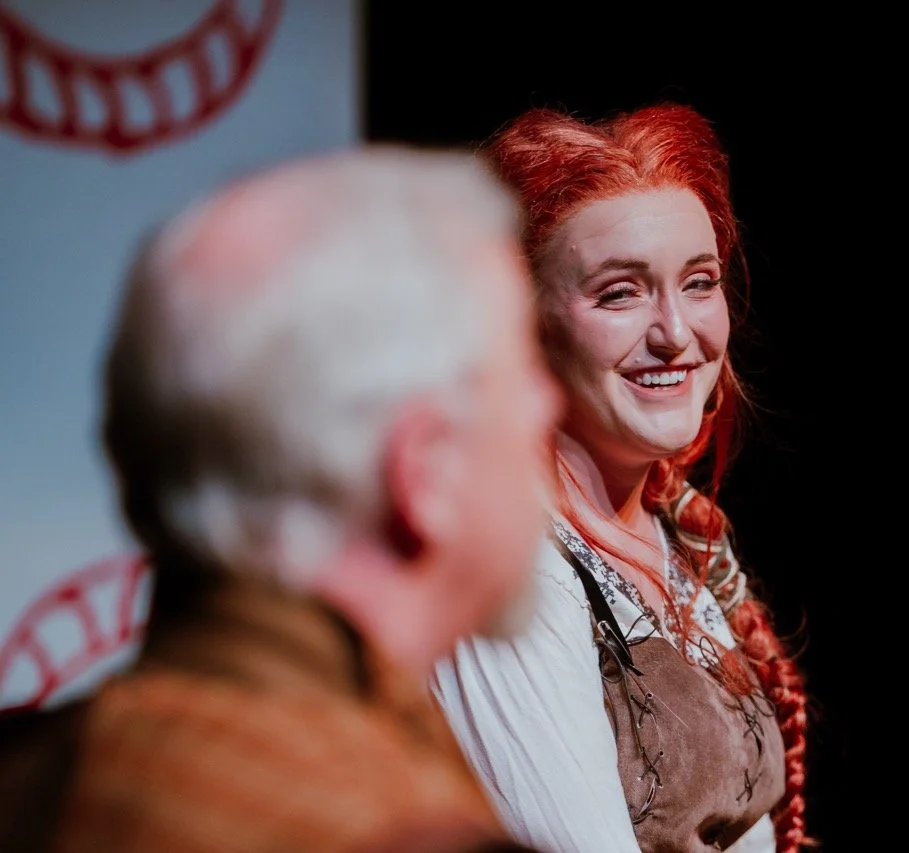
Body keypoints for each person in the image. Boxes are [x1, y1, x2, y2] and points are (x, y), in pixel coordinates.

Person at [0, 147, 562, 853]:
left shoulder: (29, 778)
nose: (550, 405)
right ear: (426, 471)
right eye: (526, 366)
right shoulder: (400, 831)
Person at [431, 104, 811, 852]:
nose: (675, 332)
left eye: (698, 283)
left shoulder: (677, 540)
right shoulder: (513, 570)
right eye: (619, 292)